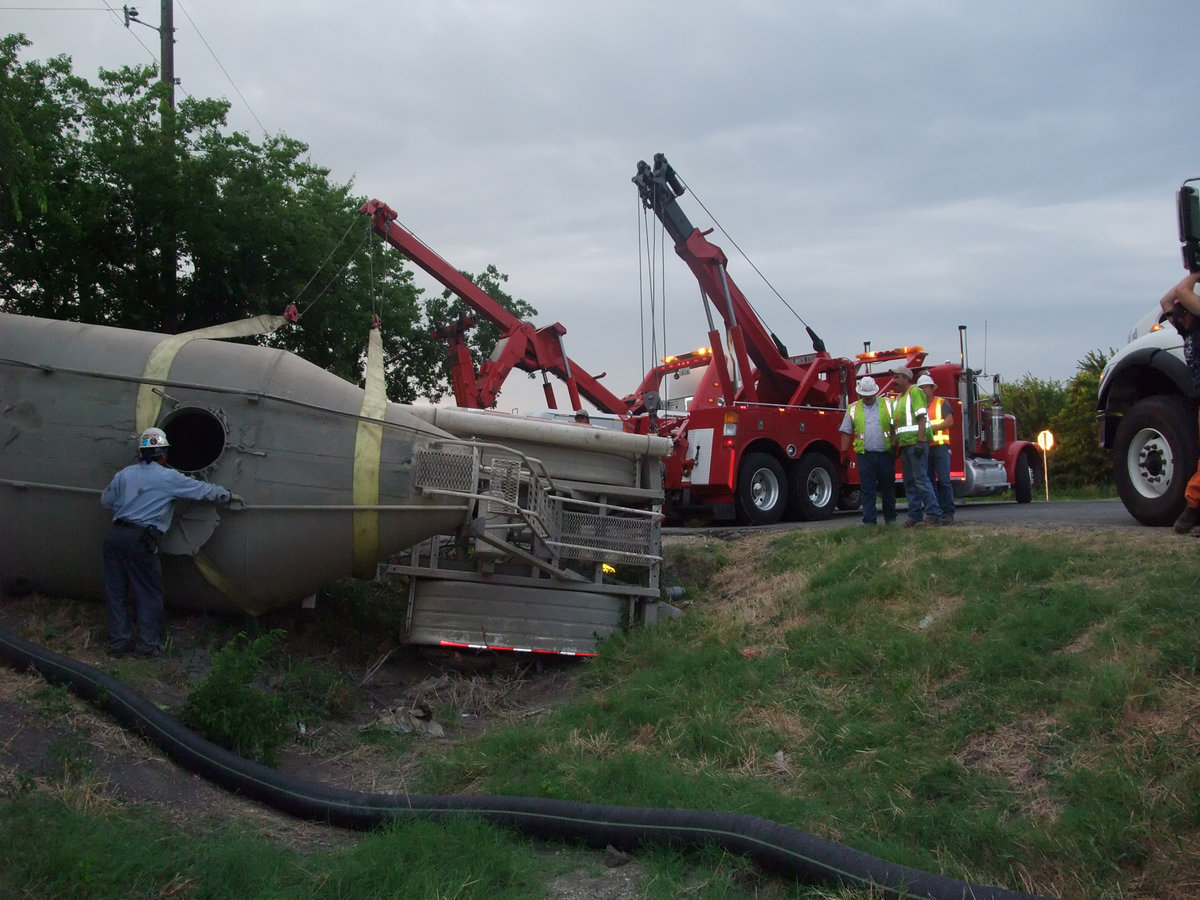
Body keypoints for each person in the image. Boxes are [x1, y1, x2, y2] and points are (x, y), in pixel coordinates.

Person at [100, 427, 237, 658]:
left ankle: (118, 644)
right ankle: (146, 647)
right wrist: (227, 495)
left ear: (142, 453)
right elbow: (201, 490)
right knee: (148, 594)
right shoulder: (168, 477)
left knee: (116, 594)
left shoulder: (124, 474)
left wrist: (132, 501)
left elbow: (106, 501)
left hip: (115, 538)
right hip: (140, 541)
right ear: (163, 454)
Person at [1160, 272, 1200, 534]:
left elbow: (1183, 294)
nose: (1178, 320)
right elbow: (1166, 301)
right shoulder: (1188, 328)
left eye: (1182, 315)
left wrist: (1195, 274)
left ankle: (1193, 509)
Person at [838, 375, 897, 525]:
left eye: (870, 396)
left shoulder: (888, 404)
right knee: (868, 489)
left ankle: (890, 518)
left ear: (875, 393)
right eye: (865, 396)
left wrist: (896, 444)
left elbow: (895, 425)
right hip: (865, 455)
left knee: (887, 487)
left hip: (885, 453)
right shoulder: (853, 408)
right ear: (860, 394)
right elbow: (846, 431)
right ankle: (870, 521)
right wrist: (843, 452)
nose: (868, 398)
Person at [889, 366, 943, 527]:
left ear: (906, 378)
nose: (894, 381)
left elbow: (921, 418)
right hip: (906, 445)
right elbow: (895, 424)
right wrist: (894, 444)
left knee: (921, 479)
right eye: (894, 377)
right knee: (910, 482)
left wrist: (920, 441)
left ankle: (933, 514)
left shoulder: (915, 393)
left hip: (916, 444)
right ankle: (915, 516)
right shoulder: (898, 398)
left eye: (897, 377)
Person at [917, 371, 955, 526]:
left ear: (932, 388)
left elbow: (949, 421)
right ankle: (935, 512)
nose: (924, 390)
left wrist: (930, 428)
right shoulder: (918, 406)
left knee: (944, 481)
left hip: (939, 447)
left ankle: (948, 513)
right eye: (921, 388)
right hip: (925, 447)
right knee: (929, 482)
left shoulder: (941, 403)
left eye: (926, 387)